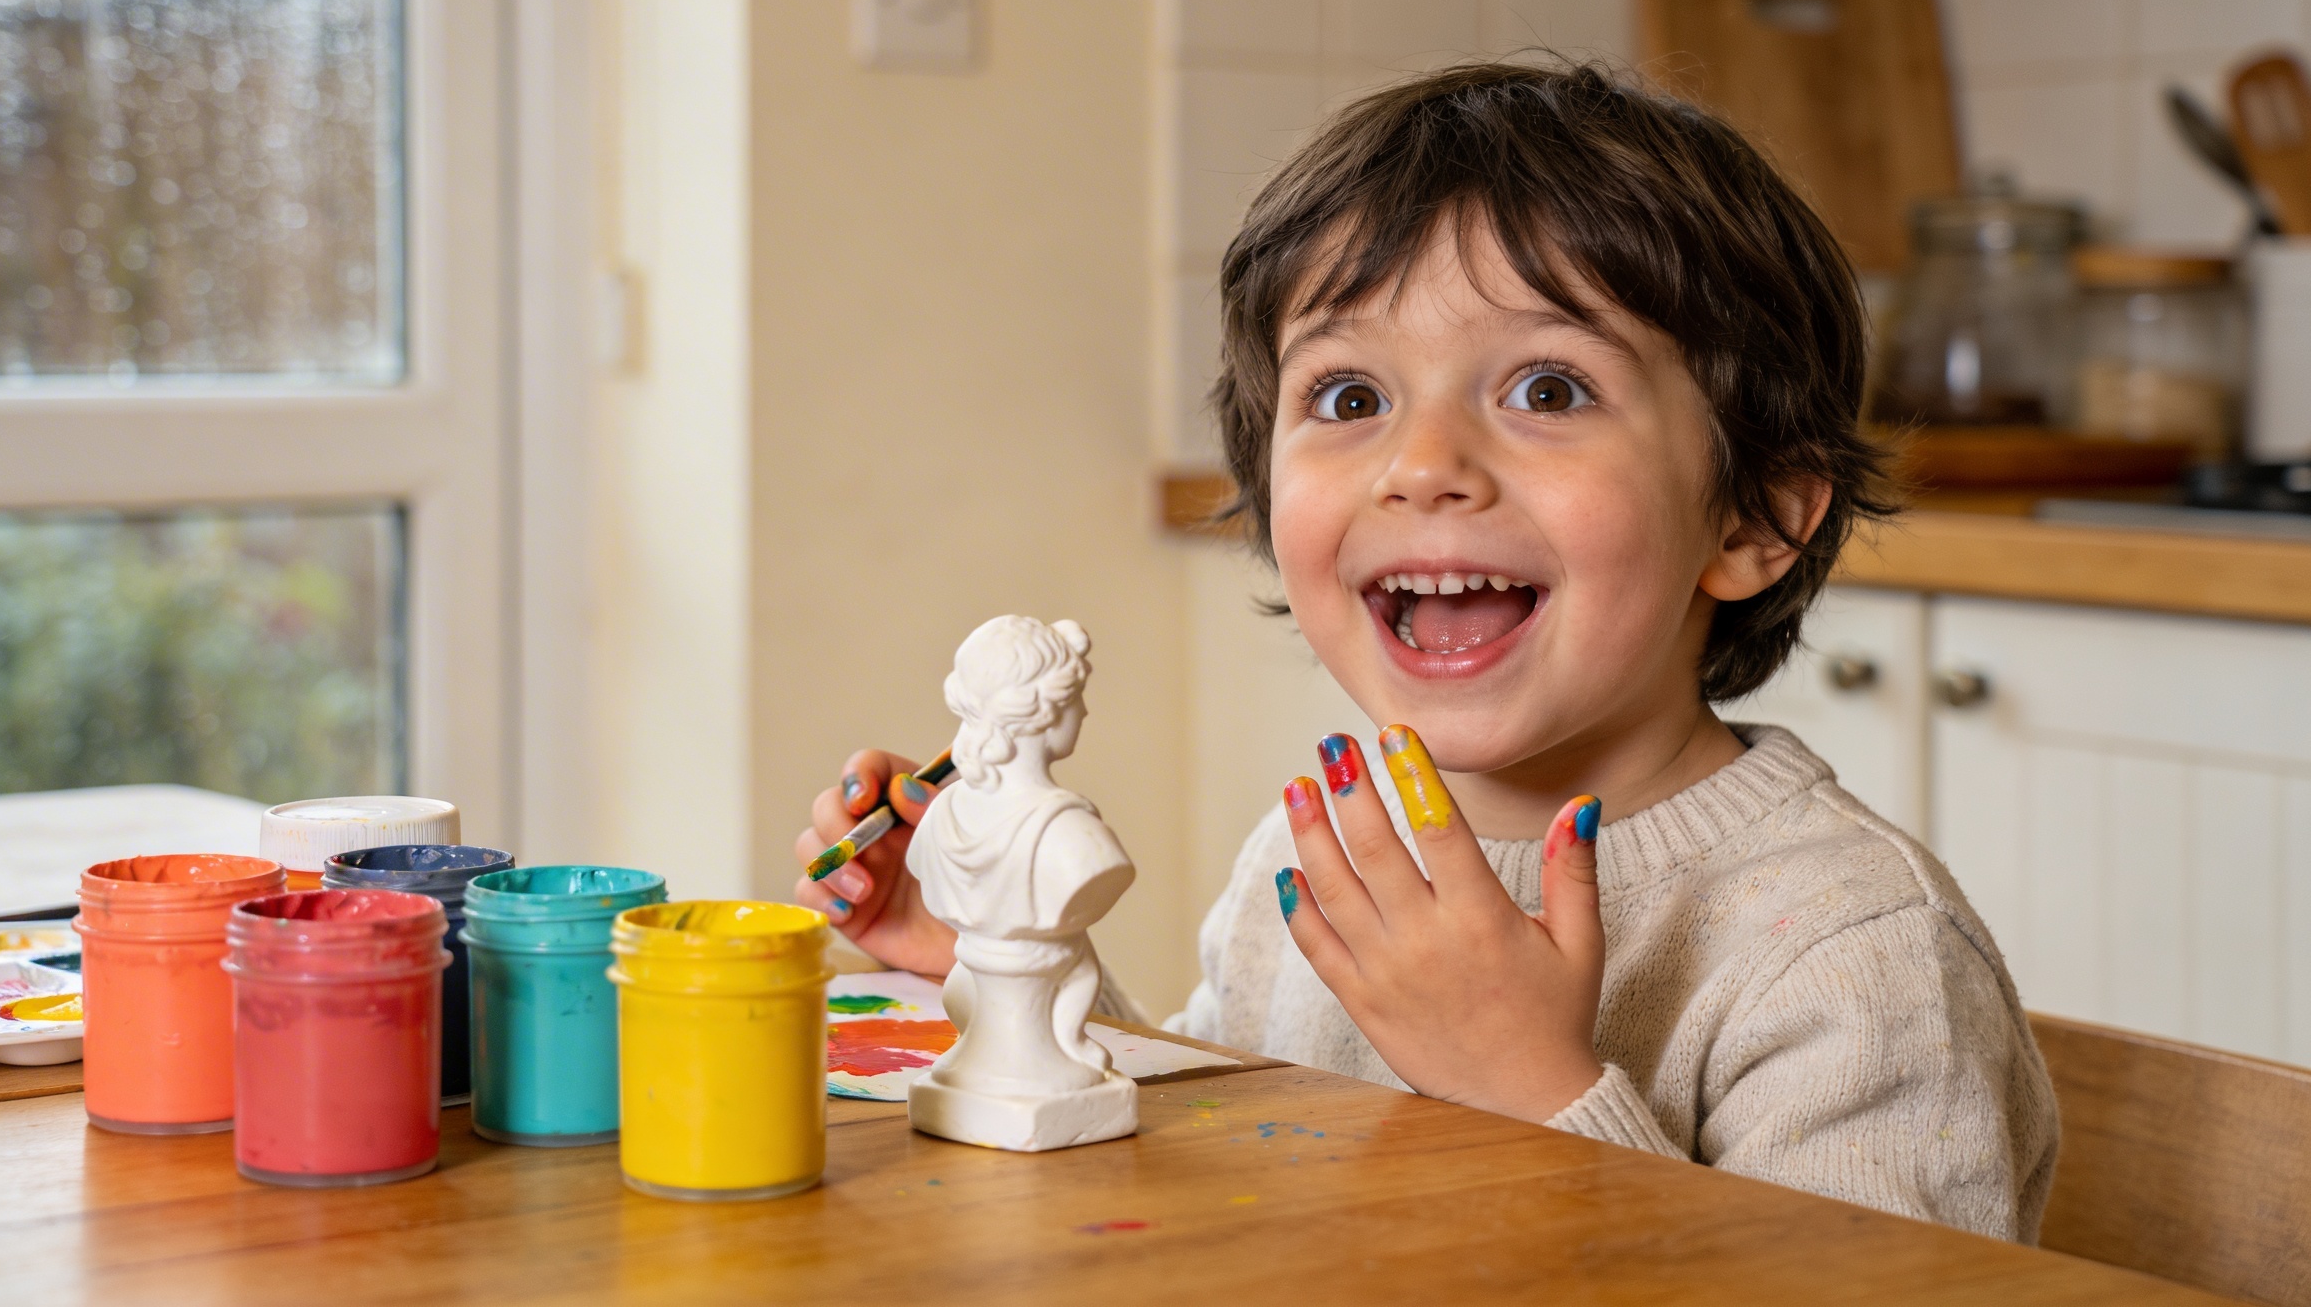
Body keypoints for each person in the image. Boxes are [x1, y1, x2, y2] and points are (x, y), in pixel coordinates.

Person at [793, 60, 2058, 1241]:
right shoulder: (1322, 849)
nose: (1424, 467)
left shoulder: (1856, 954)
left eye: (1548, 389)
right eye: (1350, 398)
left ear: (1756, 516)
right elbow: (1218, 1134)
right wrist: (1005, 961)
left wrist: (1535, 1091)